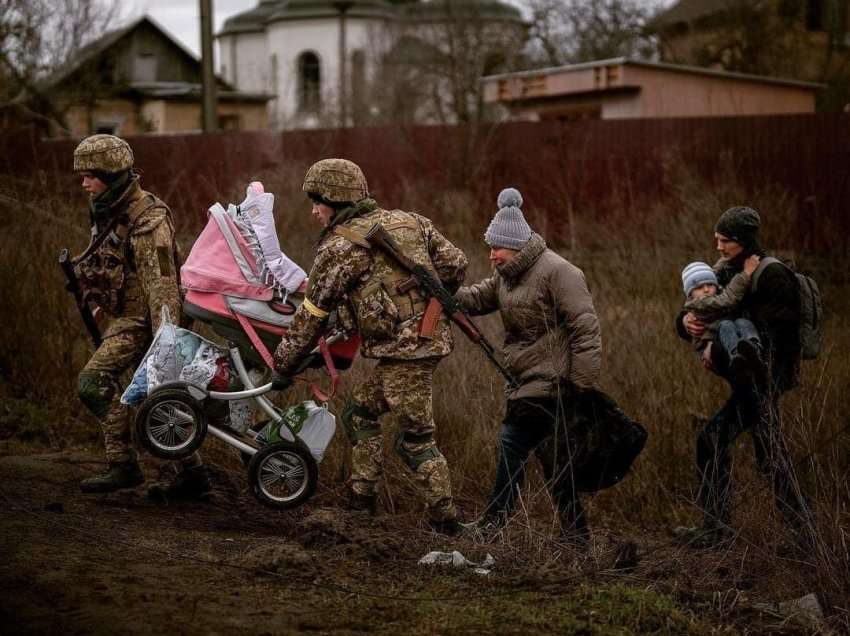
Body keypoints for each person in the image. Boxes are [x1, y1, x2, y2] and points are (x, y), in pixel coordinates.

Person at [273, 158, 467, 535]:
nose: (313, 211)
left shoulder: (340, 247)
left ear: (338, 200)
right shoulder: (413, 221)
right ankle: (362, 498)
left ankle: (446, 520)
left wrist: (283, 365)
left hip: (406, 354)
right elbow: (456, 265)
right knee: (359, 414)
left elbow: (312, 314)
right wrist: (422, 301)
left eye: (318, 202)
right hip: (424, 343)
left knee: (416, 439)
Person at [454, 188, 602, 542]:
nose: (491, 256)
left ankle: (494, 524)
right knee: (553, 462)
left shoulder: (559, 272)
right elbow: (475, 299)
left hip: (554, 384)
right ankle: (576, 535)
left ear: (517, 247)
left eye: (497, 248)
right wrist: (441, 291)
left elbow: (587, 331)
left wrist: (580, 389)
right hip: (523, 382)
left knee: (512, 443)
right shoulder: (508, 276)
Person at [72, 134, 210, 498]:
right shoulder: (109, 210)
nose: (84, 183)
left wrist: (166, 342)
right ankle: (192, 472)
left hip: (146, 321)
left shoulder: (147, 220)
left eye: (90, 175)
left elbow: (163, 286)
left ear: (111, 174)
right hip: (127, 316)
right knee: (157, 398)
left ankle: (123, 465)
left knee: (92, 382)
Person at [675, 205, 811, 547]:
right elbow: (702, 303)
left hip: (763, 382)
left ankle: (720, 530)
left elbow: (779, 341)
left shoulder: (772, 276)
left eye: (726, 241)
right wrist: (685, 323)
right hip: (746, 382)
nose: (718, 247)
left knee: (716, 440)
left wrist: (722, 345)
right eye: (717, 240)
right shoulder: (726, 270)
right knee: (768, 456)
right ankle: (802, 535)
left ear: (744, 241)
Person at [680, 257, 765, 383]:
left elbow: (714, 272)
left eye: (710, 284)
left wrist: (724, 259)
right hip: (710, 352)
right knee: (726, 324)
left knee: (742, 322)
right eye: (699, 287)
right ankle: (736, 355)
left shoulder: (709, 294)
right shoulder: (701, 303)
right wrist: (746, 273)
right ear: (690, 294)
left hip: (720, 340)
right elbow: (728, 299)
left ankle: (754, 348)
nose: (706, 289)